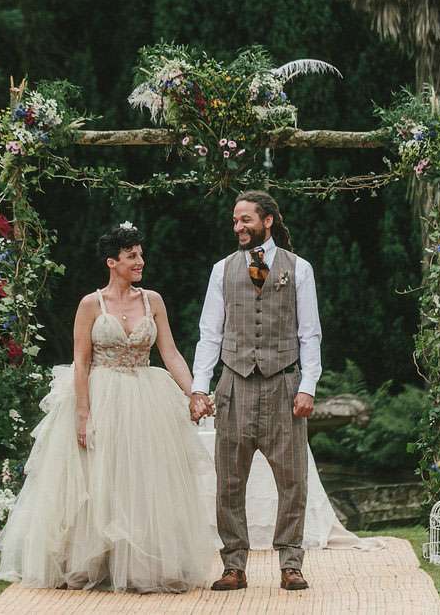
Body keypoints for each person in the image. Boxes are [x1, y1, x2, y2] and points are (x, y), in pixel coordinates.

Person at [0, 224, 216, 592]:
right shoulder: (90, 304)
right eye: (131, 256)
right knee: (99, 477)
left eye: (140, 254)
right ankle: (91, 561)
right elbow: (81, 361)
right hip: (101, 393)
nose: (139, 261)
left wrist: (194, 392)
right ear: (112, 262)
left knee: (142, 478)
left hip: (146, 395)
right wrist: (83, 413)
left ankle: (141, 564)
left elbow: (171, 353)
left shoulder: (153, 301)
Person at [190, 190, 322, 591]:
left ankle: (291, 563)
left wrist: (308, 386)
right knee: (229, 482)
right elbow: (209, 333)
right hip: (234, 384)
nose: (238, 227)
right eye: (235, 220)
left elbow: (310, 333)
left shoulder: (298, 268)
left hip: (283, 384)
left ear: (267, 221)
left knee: (292, 480)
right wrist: (199, 388)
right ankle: (234, 565)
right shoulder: (222, 270)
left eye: (245, 219)